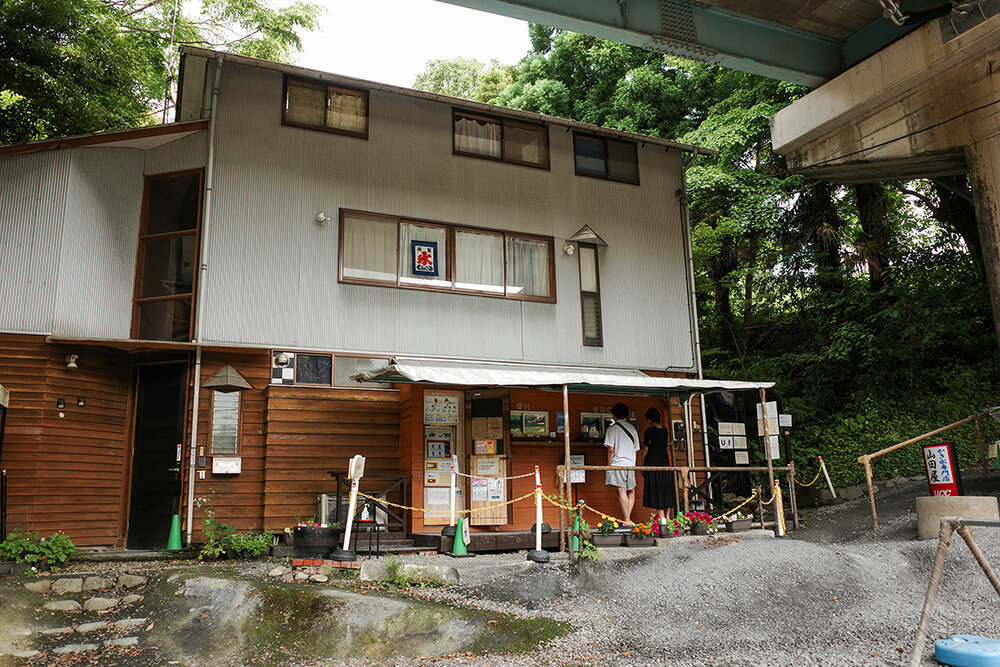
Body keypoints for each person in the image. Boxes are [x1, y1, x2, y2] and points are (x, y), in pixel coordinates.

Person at [604, 402, 640, 525]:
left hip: (618, 463)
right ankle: (627, 519)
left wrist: (608, 466)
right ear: (627, 415)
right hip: (631, 464)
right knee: (632, 491)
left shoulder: (612, 429)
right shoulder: (632, 429)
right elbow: (636, 449)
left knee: (622, 491)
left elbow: (610, 449)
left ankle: (626, 519)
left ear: (613, 415)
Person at [641, 407, 675, 523]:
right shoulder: (665, 431)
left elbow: (645, 450)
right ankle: (668, 516)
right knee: (665, 486)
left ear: (649, 420)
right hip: (664, 460)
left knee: (656, 487)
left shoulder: (649, 432)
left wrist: (643, 465)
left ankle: (662, 518)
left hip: (652, 460)